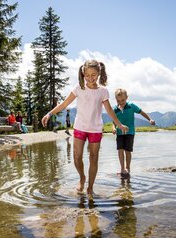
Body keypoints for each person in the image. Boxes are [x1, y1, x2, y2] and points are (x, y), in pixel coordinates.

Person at [41, 59, 128, 198]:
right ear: (83, 74)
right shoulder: (78, 88)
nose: (90, 78)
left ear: (99, 73)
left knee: (94, 158)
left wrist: (119, 125)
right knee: (76, 157)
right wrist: (49, 113)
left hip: (95, 129)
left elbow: (110, 110)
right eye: (87, 75)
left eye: (93, 75)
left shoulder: (103, 91)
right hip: (80, 127)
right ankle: (82, 178)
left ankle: (90, 188)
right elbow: (64, 104)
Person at [112, 88, 155, 178]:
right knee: (120, 150)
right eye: (118, 101)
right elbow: (114, 121)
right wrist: (113, 128)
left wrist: (149, 119)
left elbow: (141, 112)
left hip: (130, 132)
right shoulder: (115, 109)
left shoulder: (131, 106)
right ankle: (122, 168)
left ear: (127, 97)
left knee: (128, 151)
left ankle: (128, 167)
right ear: (116, 100)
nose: (121, 102)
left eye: (123, 100)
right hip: (119, 133)